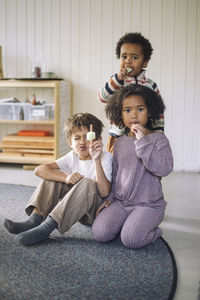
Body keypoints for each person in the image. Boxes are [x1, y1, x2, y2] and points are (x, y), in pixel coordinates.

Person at [4, 113, 113, 246]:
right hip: (75, 210)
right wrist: (66, 177)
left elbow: (104, 192)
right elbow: (39, 170)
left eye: (87, 137)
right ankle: (33, 221)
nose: (82, 142)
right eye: (77, 138)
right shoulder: (72, 156)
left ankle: (46, 229)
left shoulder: (105, 157)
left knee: (87, 183)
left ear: (98, 139)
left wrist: (96, 159)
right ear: (70, 143)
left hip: (94, 212)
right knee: (54, 177)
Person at [92, 84, 173, 249]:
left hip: (148, 205)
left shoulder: (159, 139)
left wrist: (143, 142)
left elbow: (164, 169)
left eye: (140, 109)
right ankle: (128, 222)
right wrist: (109, 199)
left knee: (131, 240)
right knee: (100, 233)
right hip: (121, 203)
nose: (134, 115)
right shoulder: (120, 142)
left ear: (149, 111)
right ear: (120, 114)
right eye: (127, 110)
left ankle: (153, 231)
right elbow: (116, 175)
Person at [98, 32, 164, 153]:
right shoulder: (116, 82)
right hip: (118, 136)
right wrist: (117, 80)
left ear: (145, 61)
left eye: (134, 57)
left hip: (144, 135)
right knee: (114, 166)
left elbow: (158, 110)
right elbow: (102, 97)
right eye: (124, 57)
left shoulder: (150, 85)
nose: (128, 61)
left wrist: (159, 132)